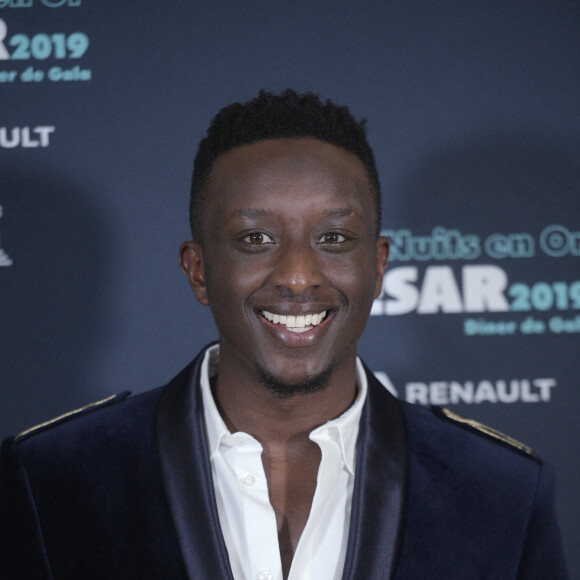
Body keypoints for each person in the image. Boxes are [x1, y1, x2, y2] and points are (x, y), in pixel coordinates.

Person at [0, 90, 568, 579]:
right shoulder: (53, 478)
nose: (298, 275)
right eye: (255, 239)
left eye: (334, 239)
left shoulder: (501, 491)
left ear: (378, 266)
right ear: (198, 270)